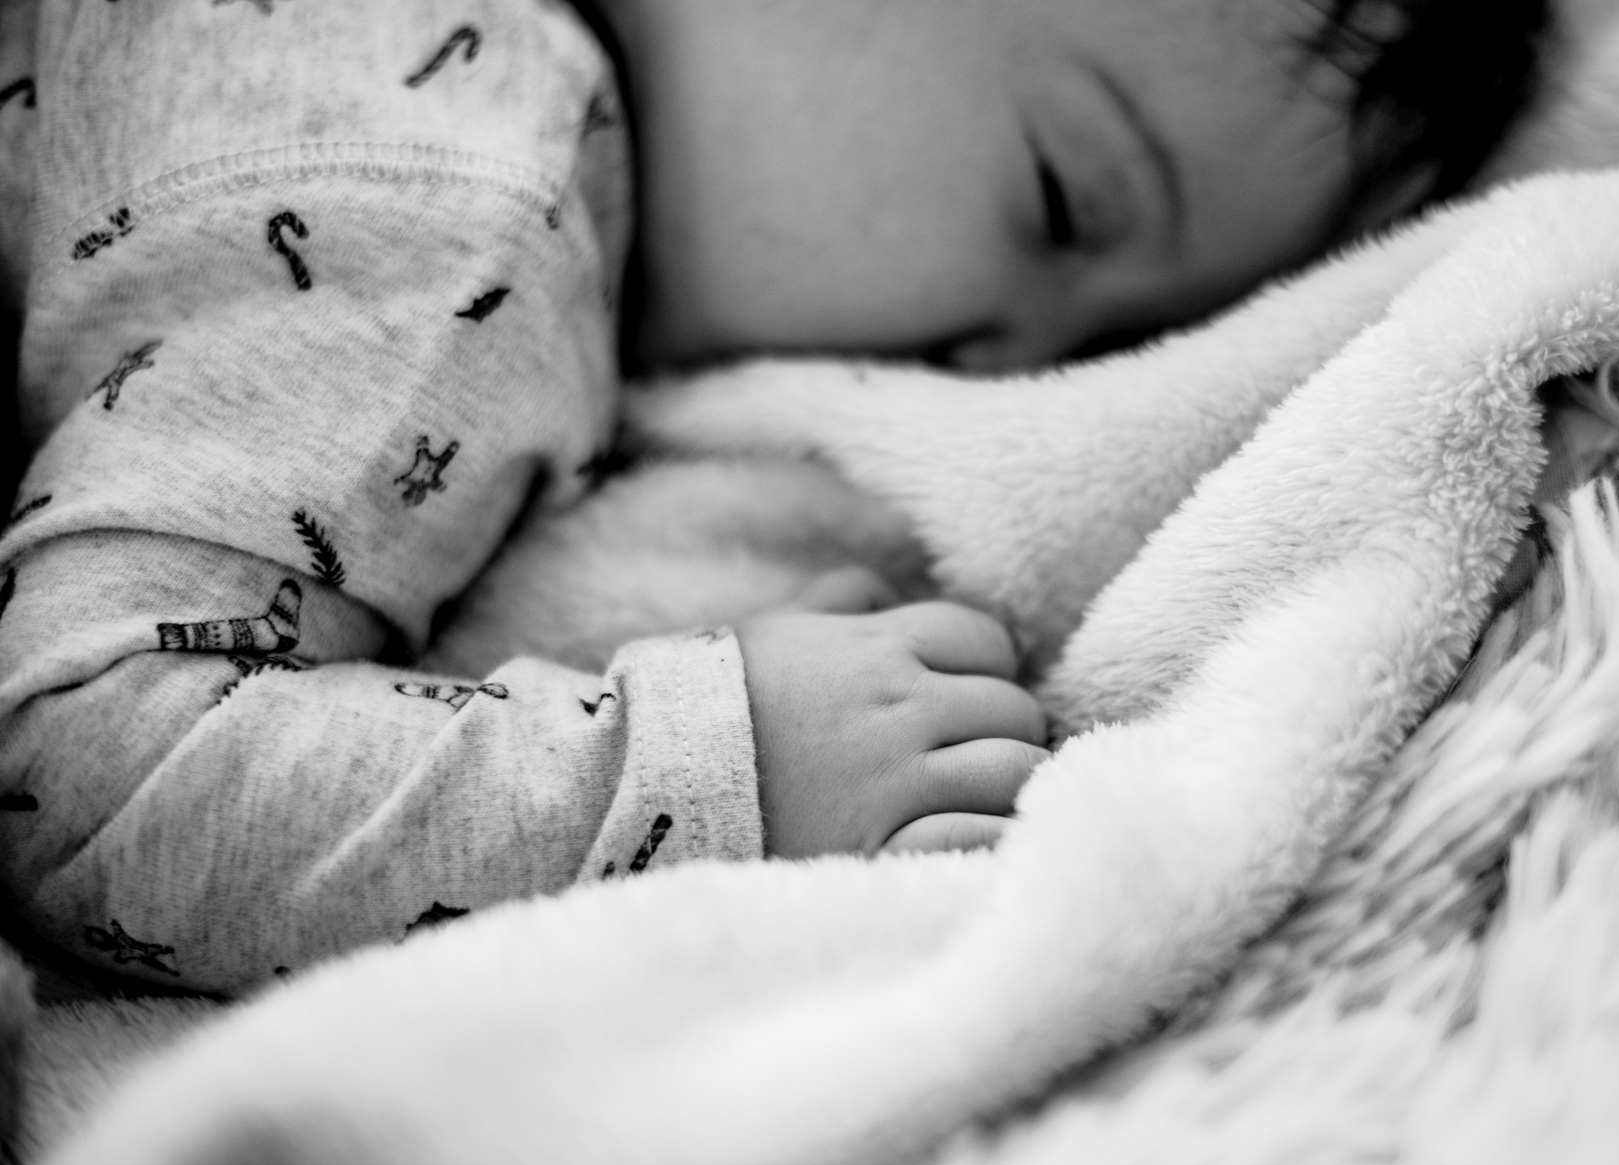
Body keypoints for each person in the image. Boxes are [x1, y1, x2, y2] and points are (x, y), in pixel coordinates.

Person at [0, 0, 1540, 994]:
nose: (1016, 355)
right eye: (1065, 198)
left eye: (1123, 340)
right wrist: (697, 773)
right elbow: (81, 770)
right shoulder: (457, 215)